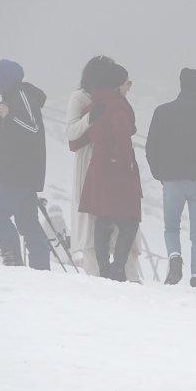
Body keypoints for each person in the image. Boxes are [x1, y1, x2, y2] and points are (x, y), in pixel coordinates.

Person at [146, 68, 196, 289]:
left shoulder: (163, 112)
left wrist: (159, 173)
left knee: (171, 227)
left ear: (181, 85)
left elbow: (151, 146)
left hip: (173, 180)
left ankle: (174, 257)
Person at [66, 55, 141, 279]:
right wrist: (91, 118)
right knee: (95, 221)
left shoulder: (113, 98)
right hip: (90, 159)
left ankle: (124, 271)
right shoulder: (79, 98)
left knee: (114, 219)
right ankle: (98, 271)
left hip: (106, 161)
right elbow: (71, 133)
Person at [0, 59, 51, 269]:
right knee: (27, 222)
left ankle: (13, 259)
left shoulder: (21, 95)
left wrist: (9, 116)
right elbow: (13, 138)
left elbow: (33, 128)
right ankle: (41, 269)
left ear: (4, 77)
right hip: (19, 171)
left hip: (20, 172)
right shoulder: (12, 98)